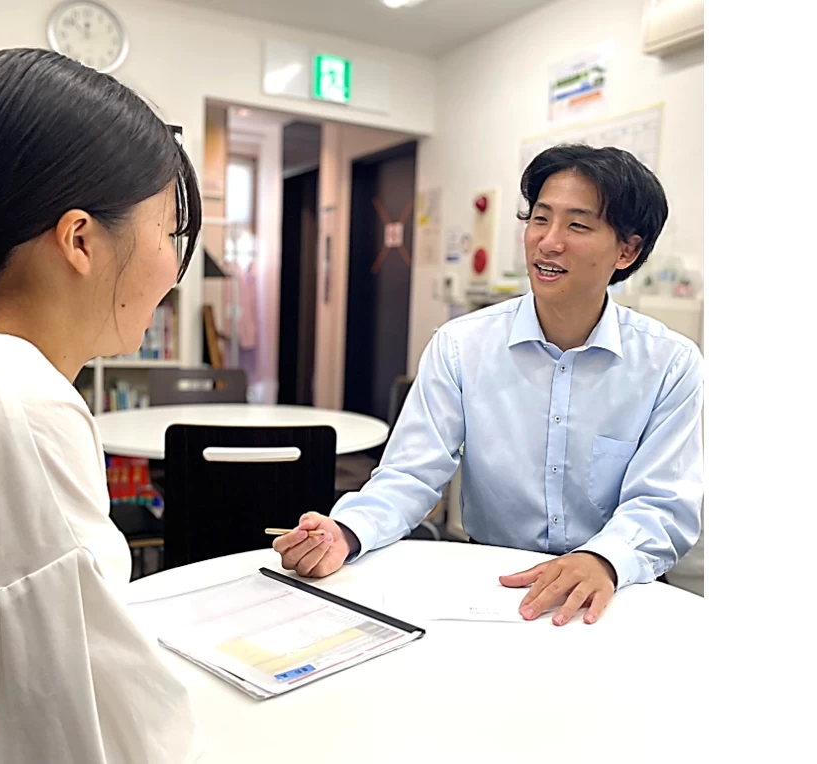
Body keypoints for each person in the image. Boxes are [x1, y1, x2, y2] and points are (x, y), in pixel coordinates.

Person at [274, 144, 703, 627]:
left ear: (627, 250)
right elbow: (409, 475)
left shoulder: (670, 363)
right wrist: (347, 532)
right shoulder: (461, 345)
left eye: (577, 225)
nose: (548, 242)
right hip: (492, 586)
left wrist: (603, 559)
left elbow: (663, 502)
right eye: (540, 219)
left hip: (614, 590)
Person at [0, 48, 207, 763]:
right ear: (81, 239)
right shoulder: (19, 411)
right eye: (169, 231)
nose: (173, 273)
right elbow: (106, 723)